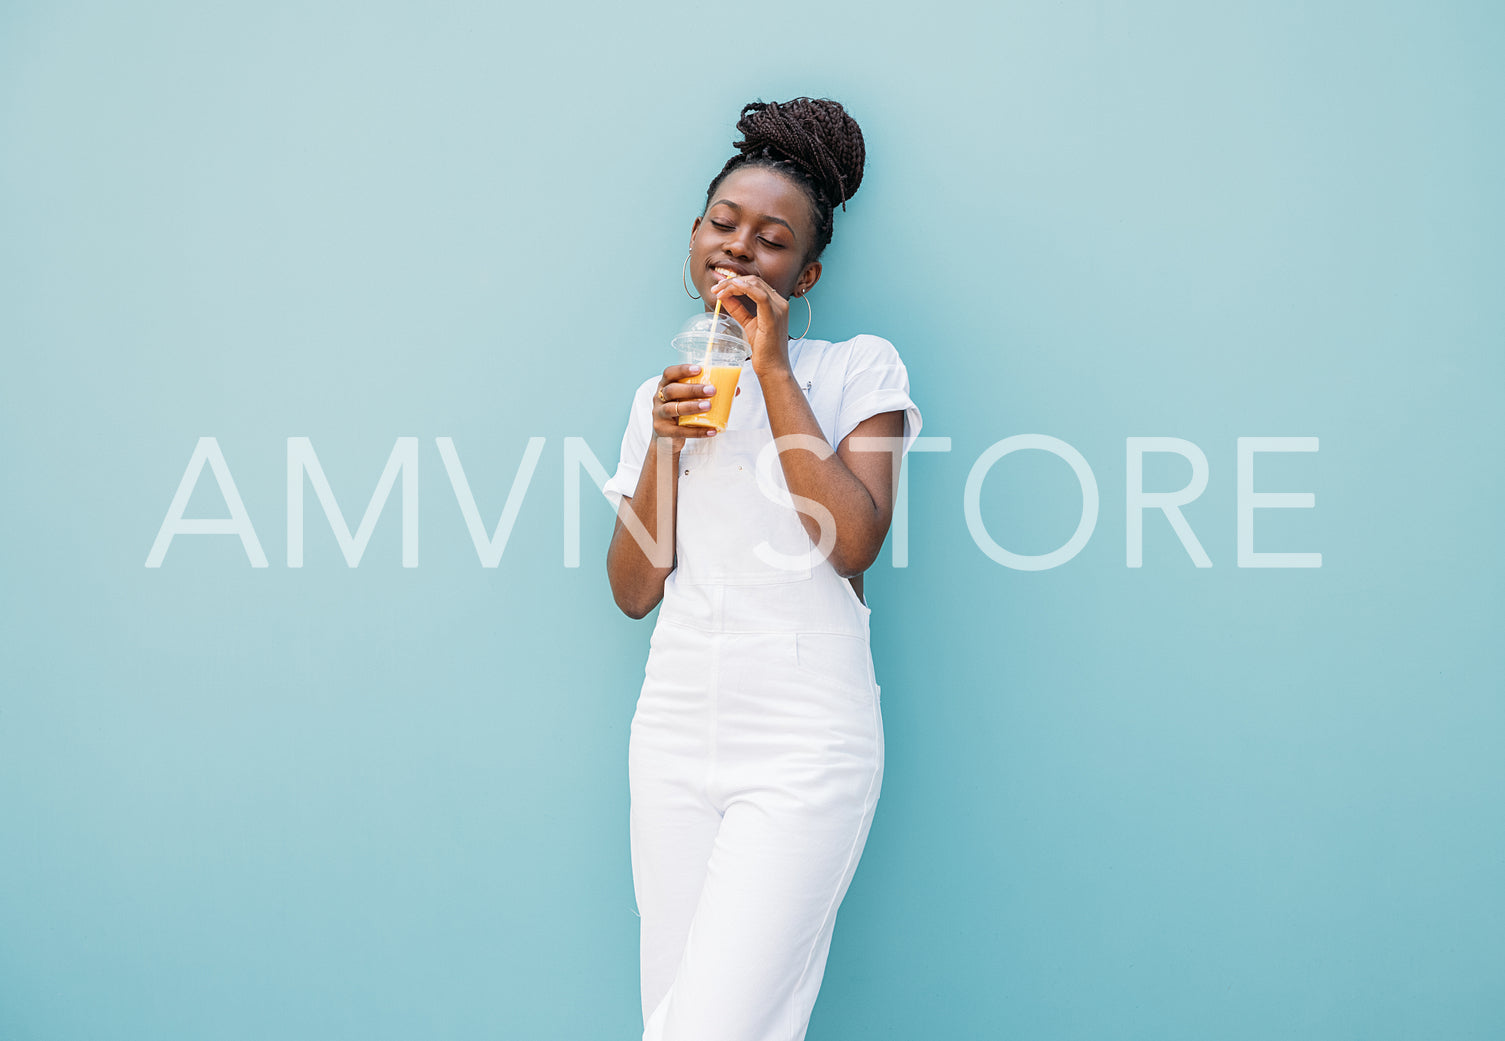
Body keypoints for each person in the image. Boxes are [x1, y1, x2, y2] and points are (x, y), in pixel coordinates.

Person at [602, 97, 922, 1041]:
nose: (739, 249)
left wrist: (774, 367)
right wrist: (662, 443)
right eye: (723, 224)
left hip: (803, 738)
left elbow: (850, 542)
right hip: (673, 728)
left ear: (806, 271)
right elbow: (630, 592)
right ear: (694, 236)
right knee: (672, 1018)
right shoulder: (659, 396)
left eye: (772, 240)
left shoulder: (857, 370)